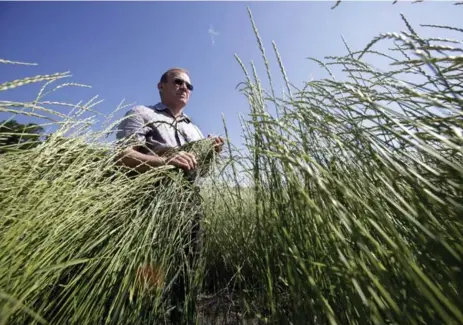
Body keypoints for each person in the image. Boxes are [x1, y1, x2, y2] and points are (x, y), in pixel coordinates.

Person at [115, 67, 224, 323]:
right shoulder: (142, 114)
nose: (185, 87)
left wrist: (212, 153)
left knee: (187, 272)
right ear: (161, 86)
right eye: (178, 82)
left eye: (189, 85)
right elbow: (122, 155)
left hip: (190, 205)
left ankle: (182, 316)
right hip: (152, 204)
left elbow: (202, 173)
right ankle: (144, 317)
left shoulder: (195, 131)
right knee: (150, 275)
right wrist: (165, 162)